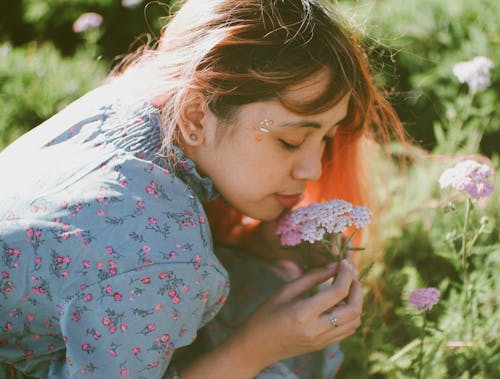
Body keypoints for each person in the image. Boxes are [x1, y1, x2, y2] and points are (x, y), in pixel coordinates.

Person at [0, 0, 404, 378]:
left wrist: (255, 246)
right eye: (291, 140)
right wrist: (257, 348)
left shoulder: (128, 102)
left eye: (327, 139)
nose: (313, 169)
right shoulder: (165, 259)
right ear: (196, 114)